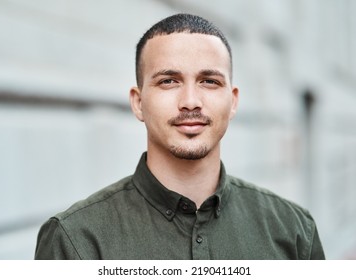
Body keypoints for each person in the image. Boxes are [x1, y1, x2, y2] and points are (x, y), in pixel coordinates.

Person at [34, 13, 325, 260]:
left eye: (209, 81)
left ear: (233, 101)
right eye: (169, 81)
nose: (190, 101)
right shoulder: (75, 240)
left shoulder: (294, 231)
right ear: (138, 102)